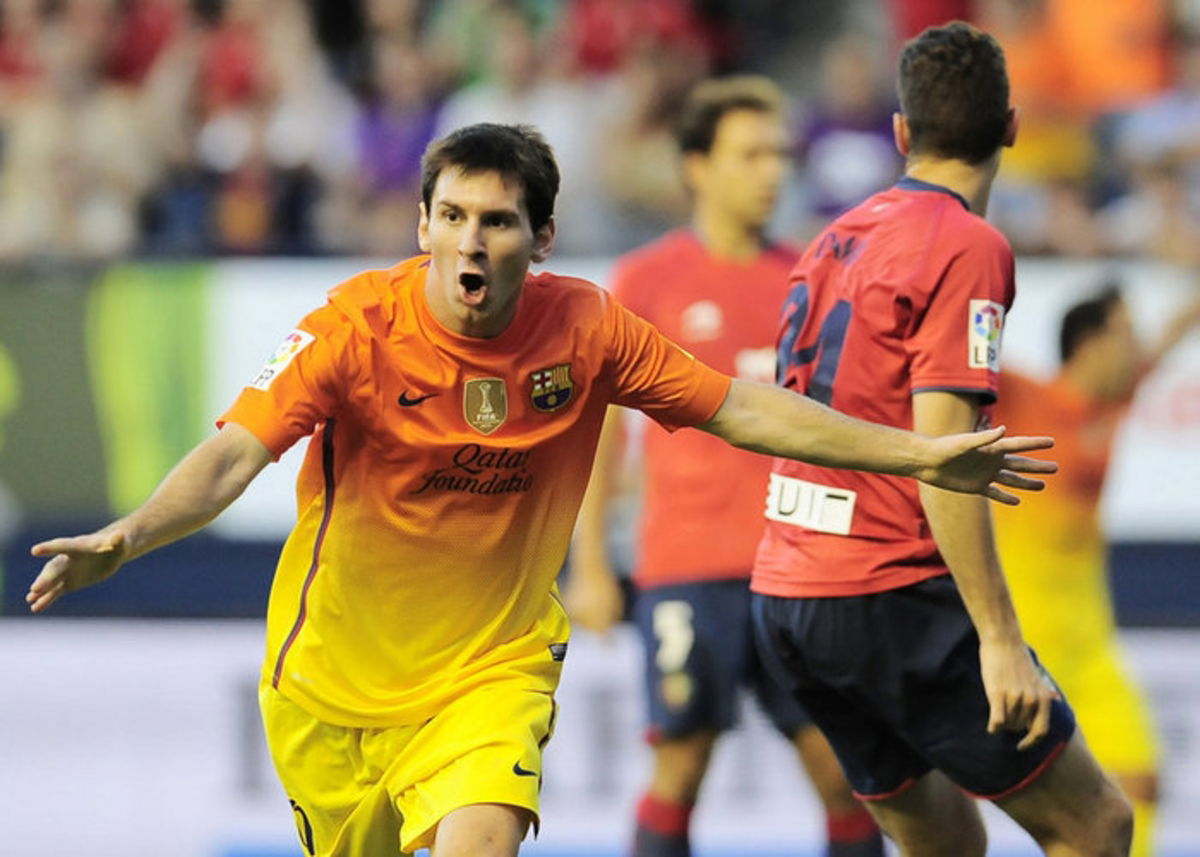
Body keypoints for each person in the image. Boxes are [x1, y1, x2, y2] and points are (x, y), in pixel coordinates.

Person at [28, 122, 1055, 857]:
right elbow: (230, 456)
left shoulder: (589, 328)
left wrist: (918, 454)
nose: (473, 241)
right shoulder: (353, 327)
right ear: (424, 224)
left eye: (500, 221)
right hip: (330, 687)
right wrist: (126, 536)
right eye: (455, 216)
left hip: (490, 672)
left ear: (542, 237)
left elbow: (741, 407)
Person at [749, 22, 1134, 857]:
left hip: (789, 590)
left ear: (900, 132)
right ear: (1013, 127)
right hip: (886, 590)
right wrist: (1001, 638)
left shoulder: (831, 237)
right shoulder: (967, 245)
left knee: (946, 844)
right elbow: (945, 456)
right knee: (1097, 824)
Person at [566, 76, 884, 857]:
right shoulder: (644, 283)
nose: (772, 171)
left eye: (779, 153)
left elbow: (846, 425)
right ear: (697, 166)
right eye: (750, 154)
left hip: (802, 568)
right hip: (685, 565)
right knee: (680, 762)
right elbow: (598, 432)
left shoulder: (811, 279)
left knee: (844, 774)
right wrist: (591, 567)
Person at [993, 285, 1200, 857]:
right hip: (1019, 647)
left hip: (1089, 648)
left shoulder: (1113, 402)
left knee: (1139, 782)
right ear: (1089, 345)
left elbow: (1177, 328)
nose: (1138, 350)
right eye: (1126, 335)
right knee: (954, 804)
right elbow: (952, 357)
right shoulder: (1020, 398)